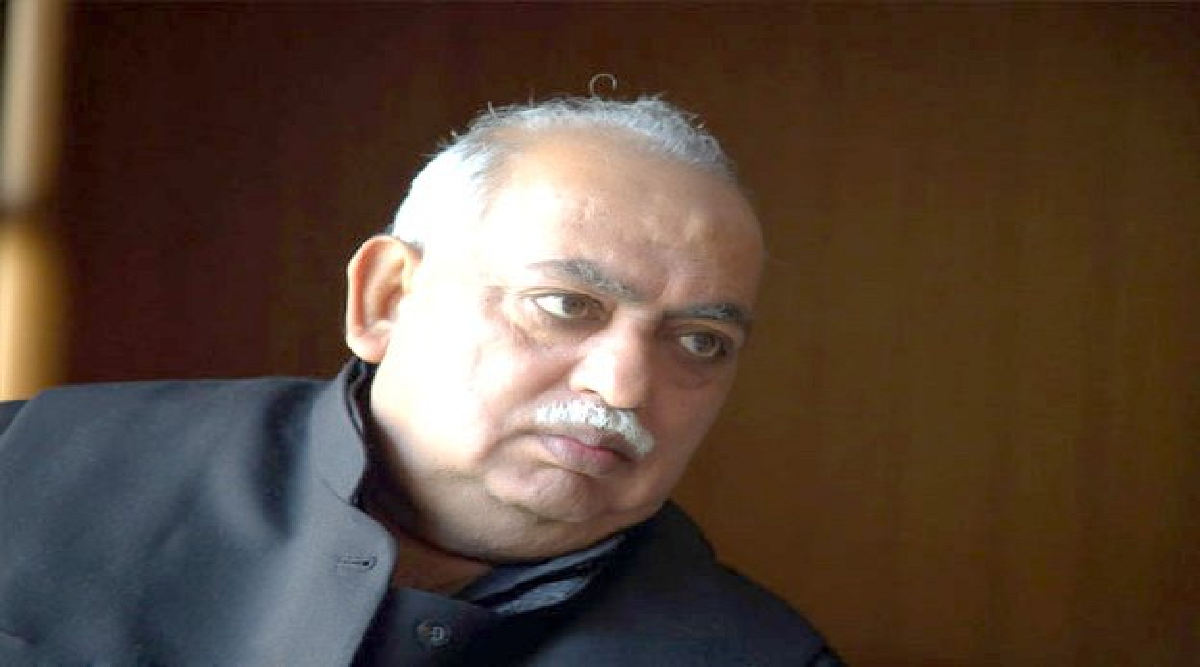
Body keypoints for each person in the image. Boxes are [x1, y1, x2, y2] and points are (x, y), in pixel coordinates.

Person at [0, 96, 842, 665]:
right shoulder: (28, 465)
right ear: (385, 298)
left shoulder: (758, 654)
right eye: (565, 304)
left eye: (699, 342)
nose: (624, 386)